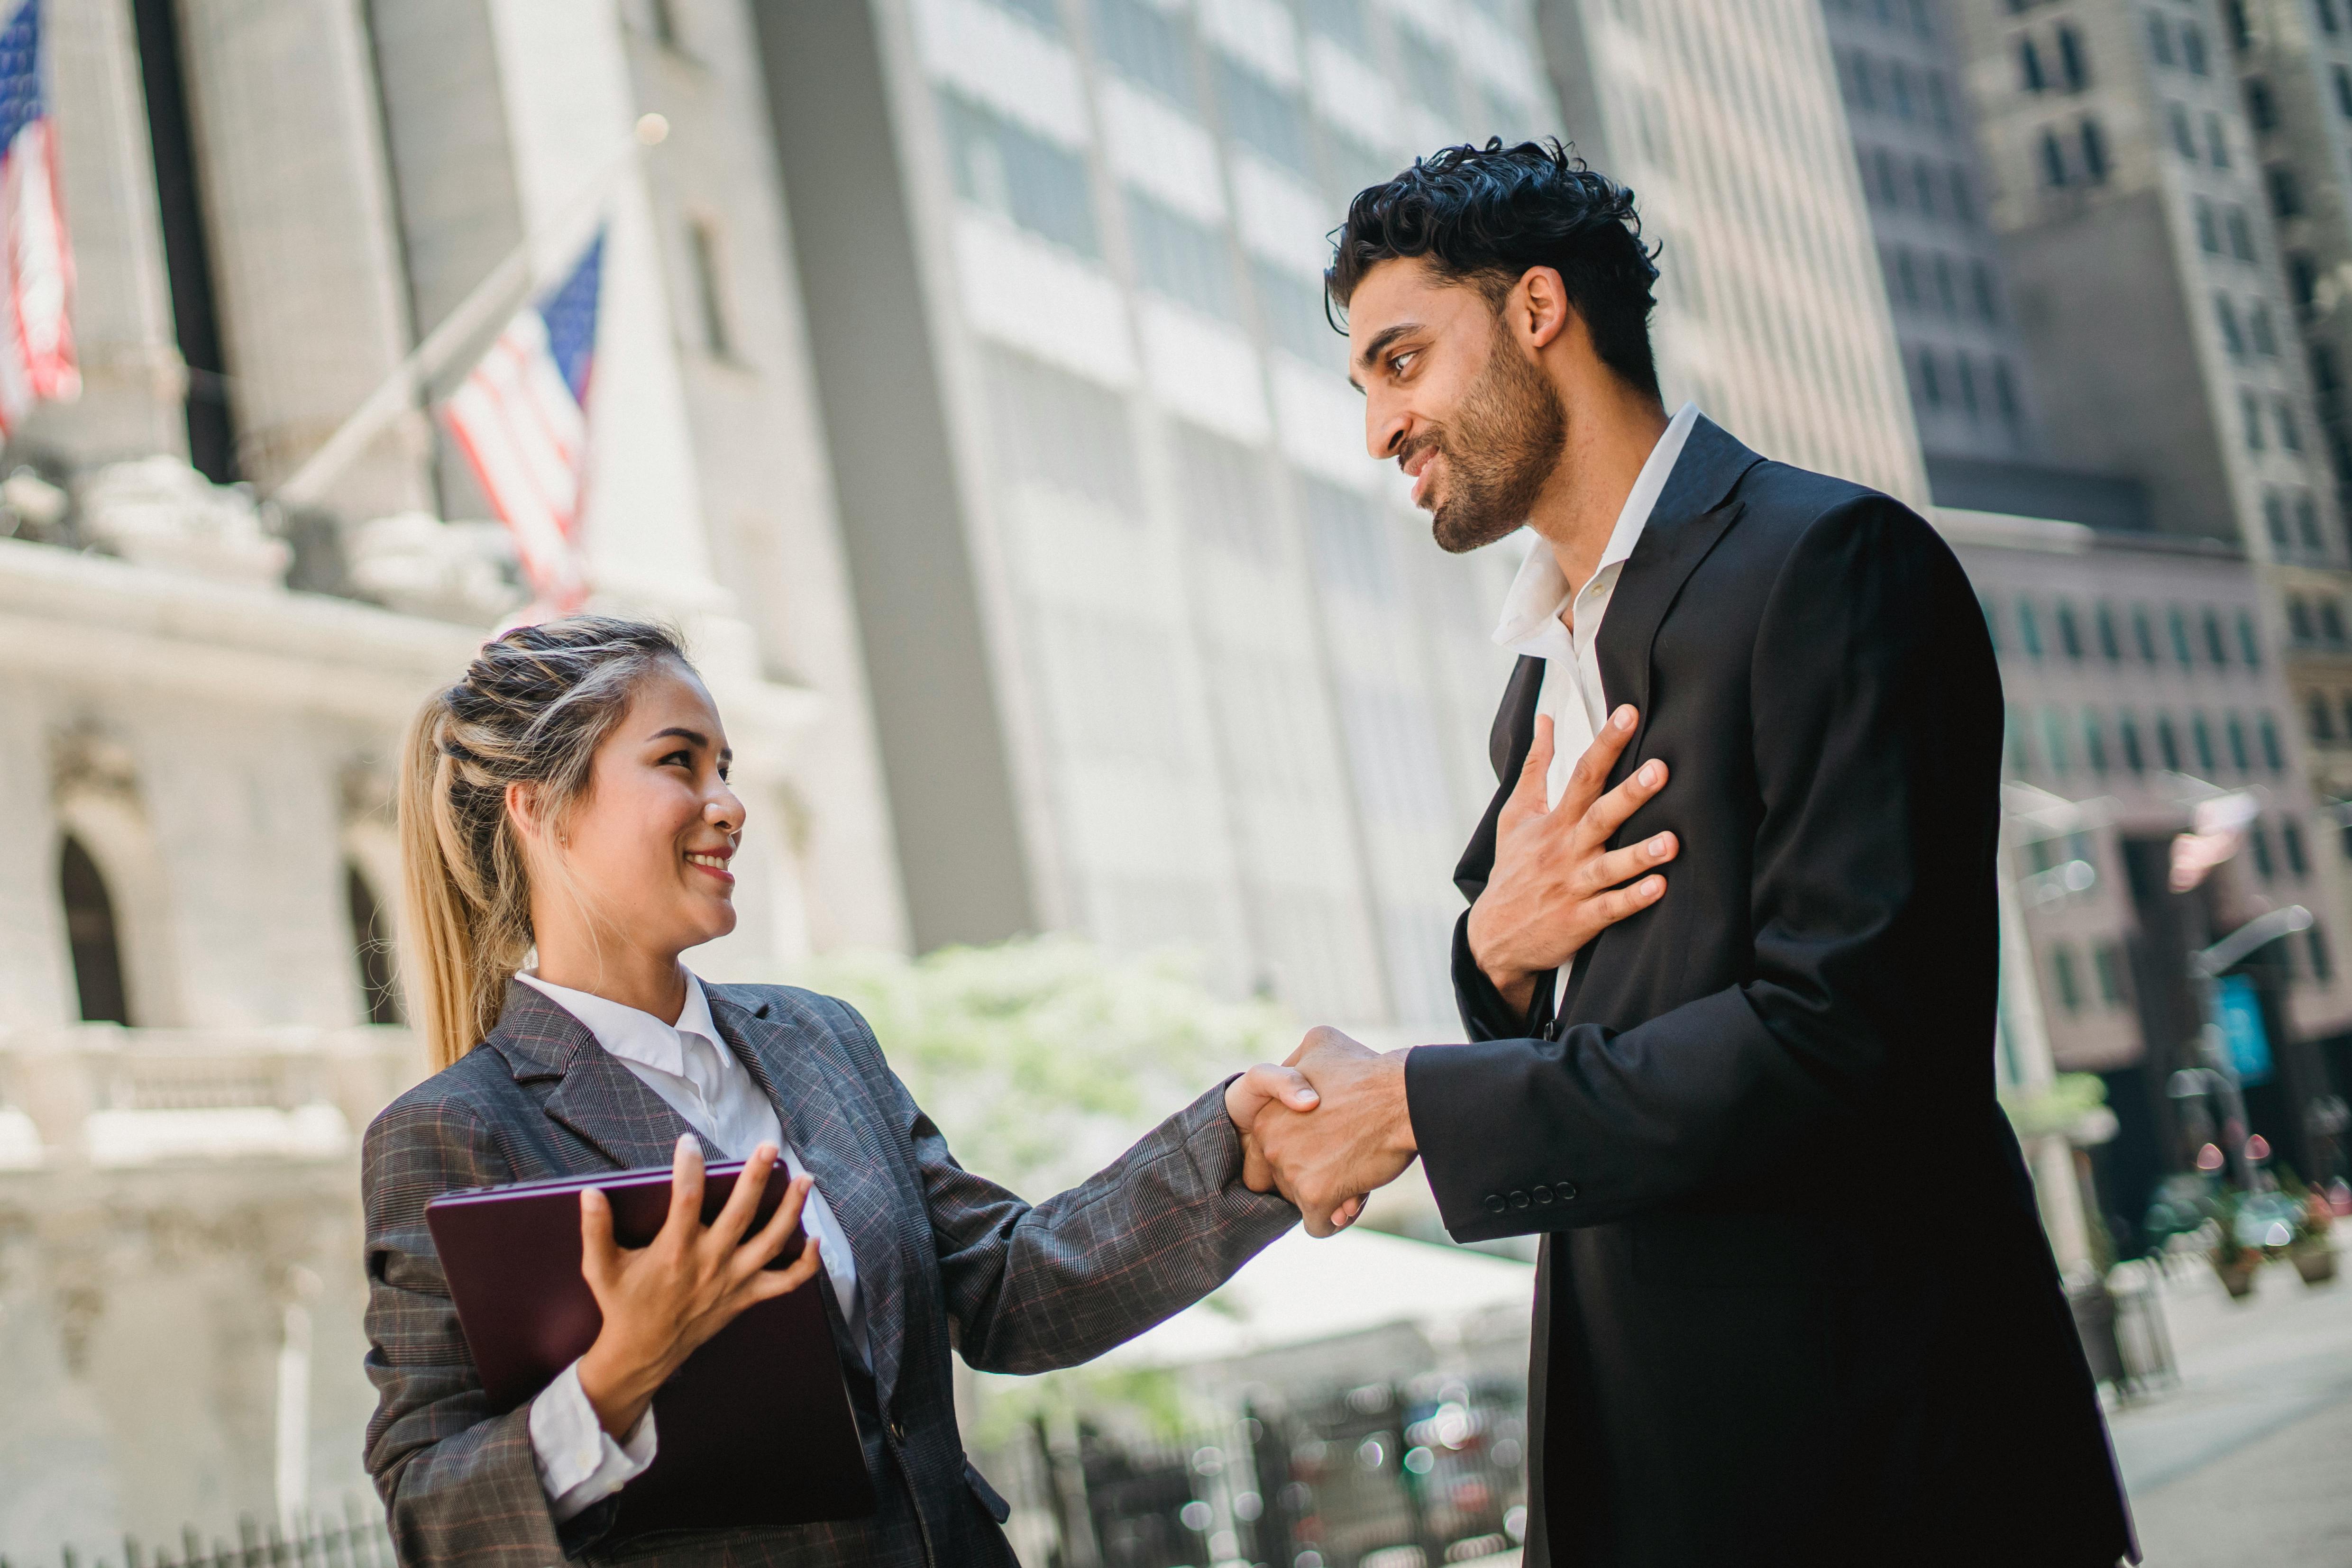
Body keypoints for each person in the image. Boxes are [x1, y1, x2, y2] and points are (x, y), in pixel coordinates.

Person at [1244, 142, 2138, 1567]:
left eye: (1401, 362)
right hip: (1655, 1472)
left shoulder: (1835, 564)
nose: (1379, 430)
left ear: (1539, 308)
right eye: (1364, 386)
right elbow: (1555, 1010)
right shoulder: (1538, 682)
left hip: (1885, 1472)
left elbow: (1846, 1039)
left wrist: (1421, 1102)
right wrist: (1486, 956)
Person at [362, 616, 1354, 1566]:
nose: (729, 801)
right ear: (539, 808)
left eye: (726, 767)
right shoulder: (455, 1132)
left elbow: (1012, 1290)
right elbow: (433, 1519)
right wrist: (618, 1374)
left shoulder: (817, 1040)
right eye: (678, 761)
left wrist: (1240, 1151)